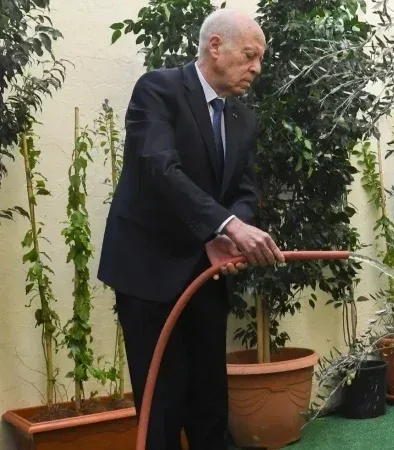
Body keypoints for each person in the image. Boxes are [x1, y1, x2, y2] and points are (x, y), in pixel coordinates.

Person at [97, 9, 284, 450]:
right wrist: (225, 224)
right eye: (250, 55)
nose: (257, 68)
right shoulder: (158, 90)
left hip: (207, 271)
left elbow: (244, 190)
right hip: (148, 272)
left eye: (260, 59)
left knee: (209, 400)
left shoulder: (242, 118)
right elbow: (158, 168)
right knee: (161, 404)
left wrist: (225, 230)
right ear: (215, 47)